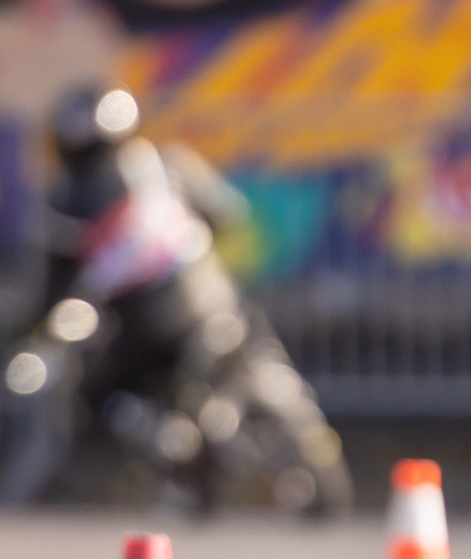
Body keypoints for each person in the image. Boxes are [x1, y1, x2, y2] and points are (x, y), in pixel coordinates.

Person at [13, 83, 347, 513]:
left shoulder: (65, 203)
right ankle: (264, 432)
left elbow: (50, 293)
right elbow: (228, 213)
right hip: (213, 304)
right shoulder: (168, 165)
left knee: (98, 395)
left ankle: (172, 447)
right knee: (254, 343)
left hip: (145, 332)